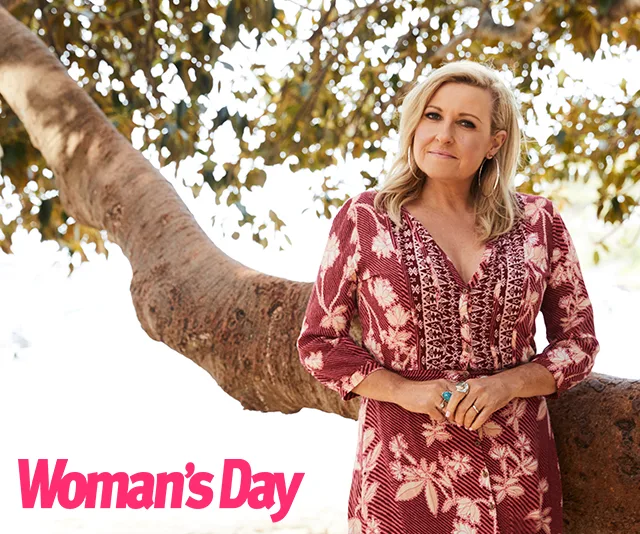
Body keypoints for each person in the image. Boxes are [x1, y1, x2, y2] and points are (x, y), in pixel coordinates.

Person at [296, 60, 600, 534]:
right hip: (402, 474)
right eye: (433, 116)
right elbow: (320, 343)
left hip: (517, 475)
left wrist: (508, 384)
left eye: (466, 123)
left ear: (494, 143)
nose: (443, 135)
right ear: (415, 124)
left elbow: (579, 342)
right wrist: (405, 390)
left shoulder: (538, 223)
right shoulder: (365, 218)